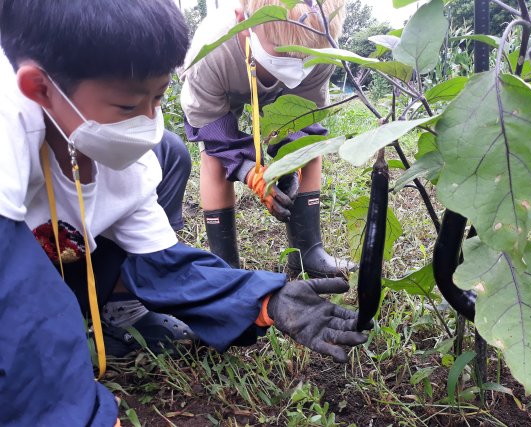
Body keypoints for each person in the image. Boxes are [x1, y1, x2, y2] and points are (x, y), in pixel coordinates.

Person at [0, 1, 369, 425]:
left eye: (158, 97)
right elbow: (18, 303)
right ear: (40, 88)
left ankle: (114, 311)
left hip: (56, 264)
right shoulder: (7, 128)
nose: (149, 121)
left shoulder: (127, 163)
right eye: (127, 107)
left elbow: (164, 264)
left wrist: (265, 298)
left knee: (169, 155)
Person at [181, 0, 357, 277]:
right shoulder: (211, 53)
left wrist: (291, 160)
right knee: (214, 159)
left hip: (277, 85)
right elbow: (215, 134)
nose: (297, 62)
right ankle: (226, 267)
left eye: (306, 55)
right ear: (243, 21)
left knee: (308, 146)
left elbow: (305, 120)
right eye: (285, 52)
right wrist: (250, 171)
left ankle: (307, 251)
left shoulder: (324, 50)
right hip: (224, 82)